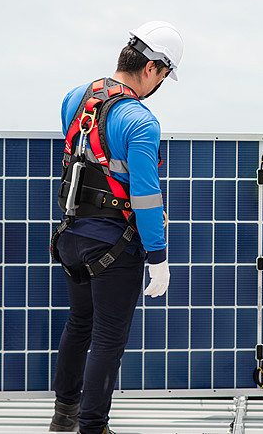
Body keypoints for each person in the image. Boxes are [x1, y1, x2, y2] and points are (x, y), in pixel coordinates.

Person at [48, 21, 183, 434]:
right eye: (163, 76)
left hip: (71, 234)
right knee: (108, 337)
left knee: (79, 323)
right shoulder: (141, 121)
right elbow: (145, 195)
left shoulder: (76, 97)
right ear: (152, 68)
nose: (160, 84)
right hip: (113, 245)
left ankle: (64, 415)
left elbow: (80, 158)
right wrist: (158, 257)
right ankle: (93, 427)